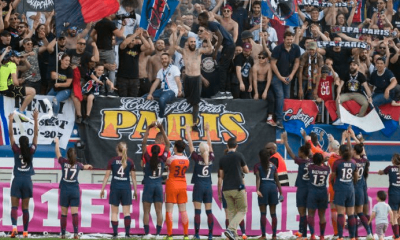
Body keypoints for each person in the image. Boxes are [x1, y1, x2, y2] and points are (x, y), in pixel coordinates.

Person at [174, 28, 212, 131]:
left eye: (194, 42)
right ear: (187, 42)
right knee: (184, 97)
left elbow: (210, 49)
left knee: (196, 102)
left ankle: (195, 124)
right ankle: (179, 119)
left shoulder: (198, 51)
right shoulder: (184, 51)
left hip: (196, 78)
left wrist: (208, 39)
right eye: (191, 42)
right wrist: (180, 34)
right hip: (187, 78)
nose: (193, 43)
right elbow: (175, 46)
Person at [8, 110, 38, 238]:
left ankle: (14, 228)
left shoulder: (16, 150)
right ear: (28, 143)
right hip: (27, 180)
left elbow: (10, 135)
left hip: (17, 179)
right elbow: (36, 135)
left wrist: (10, 120)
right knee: (25, 208)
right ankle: (25, 232)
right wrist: (36, 120)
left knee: (14, 206)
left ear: (20, 143)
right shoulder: (31, 151)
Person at [54, 137, 92, 239]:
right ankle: (75, 233)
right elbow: (86, 166)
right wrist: (89, 166)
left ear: (67, 155)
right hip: (74, 190)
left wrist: (57, 142)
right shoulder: (78, 165)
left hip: (65, 190)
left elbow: (57, 151)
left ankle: (62, 234)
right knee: (75, 213)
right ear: (75, 156)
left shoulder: (63, 162)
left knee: (64, 214)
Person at [100, 142, 138, 239]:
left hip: (115, 188)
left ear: (117, 149)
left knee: (114, 212)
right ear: (126, 150)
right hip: (126, 188)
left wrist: (102, 189)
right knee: (127, 213)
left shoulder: (112, 161)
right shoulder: (130, 161)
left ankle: (115, 234)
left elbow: (106, 176)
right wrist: (135, 191)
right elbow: (134, 178)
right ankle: (127, 234)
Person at [194, 12, 236, 99]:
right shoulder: (210, 26)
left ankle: (221, 92)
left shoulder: (211, 24)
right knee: (226, 69)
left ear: (205, 19)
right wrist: (211, 45)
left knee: (222, 69)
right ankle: (227, 92)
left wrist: (215, 51)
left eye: (200, 19)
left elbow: (220, 38)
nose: (199, 22)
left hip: (228, 46)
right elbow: (216, 40)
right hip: (229, 45)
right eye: (198, 20)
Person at [141, 122, 170, 238]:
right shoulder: (162, 159)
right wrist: (162, 129)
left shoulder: (147, 158)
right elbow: (167, 144)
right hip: (158, 185)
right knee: (159, 211)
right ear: (159, 151)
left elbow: (143, 143)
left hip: (148, 185)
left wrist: (148, 128)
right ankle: (158, 234)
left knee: (146, 212)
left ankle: (147, 233)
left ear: (151, 151)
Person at [186, 123, 214, 240]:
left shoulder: (197, 158)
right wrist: (207, 132)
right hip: (208, 186)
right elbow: (210, 145)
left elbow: (190, 145)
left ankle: (197, 234)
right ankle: (210, 235)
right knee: (209, 211)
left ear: (200, 151)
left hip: (198, 186)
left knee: (197, 211)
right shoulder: (211, 157)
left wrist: (188, 132)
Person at [281, 132, 311, 239]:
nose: (298, 153)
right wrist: (305, 138)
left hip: (302, 188)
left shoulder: (301, 161)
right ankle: (304, 233)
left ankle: (303, 233)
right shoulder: (312, 161)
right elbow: (310, 149)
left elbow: (290, 153)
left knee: (302, 212)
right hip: (311, 190)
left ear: (303, 153)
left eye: (299, 151)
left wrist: (285, 142)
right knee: (308, 212)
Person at [218, 137, 249, 240]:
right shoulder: (239, 155)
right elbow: (247, 171)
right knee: (242, 210)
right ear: (236, 146)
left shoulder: (222, 158)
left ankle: (233, 235)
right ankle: (231, 229)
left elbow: (221, 176)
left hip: (226, 188)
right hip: (237, 187)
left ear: (227, 145)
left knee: (231, 211)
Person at [270, 31, 300, 129]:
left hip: (288, 76)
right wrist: (279, 77)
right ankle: (279, 119)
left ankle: (286, 117)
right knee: (280, 96)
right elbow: (273, 63)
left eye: (291, 39)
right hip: (277, 77)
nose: (289, 41)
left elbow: (296, 62)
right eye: (288, 39)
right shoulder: (277, 49)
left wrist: (291, 75)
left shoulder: (296, 48)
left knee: (287, 97)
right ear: (283, 39)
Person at [144, 53, 182, 124]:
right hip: (163, 90)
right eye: (162, 59)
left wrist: (179, 89)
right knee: (145, 96)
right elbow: (155, 83)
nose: (164, 60)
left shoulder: (174, 68)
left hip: (171, 91)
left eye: (165, 58)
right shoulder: (160, 71)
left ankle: (160, 118)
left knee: (162, 99)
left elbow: (178, 80)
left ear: (169, 60)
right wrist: (150, 94)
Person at [331, 144, 359, 240]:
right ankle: (352, 237)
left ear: (340, 152)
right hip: (350, 188)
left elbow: (332, 177)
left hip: (340, 189)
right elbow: (356, 177)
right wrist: (351, 185)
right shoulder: (354, 162)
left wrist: (334, 185)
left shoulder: (337, 163)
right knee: (351, 214)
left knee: (340, 213)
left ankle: (341, 236)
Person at [0, 48, 35, 122]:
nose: (19, 59)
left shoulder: (3, 64)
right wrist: (19, 82)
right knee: (32, 91)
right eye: (17, 57)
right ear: (12, 57)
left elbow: (9, 80)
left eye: (19, 58)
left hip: (3, 89)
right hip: (7, 90)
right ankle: (20, 112)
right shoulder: (12, 65)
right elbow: (16, 83)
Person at [255, 148, 283, 240]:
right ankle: (274, 236)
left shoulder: (258, 165)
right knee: (273, 213)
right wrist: (281, 193)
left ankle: (263, 236)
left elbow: (258, 178)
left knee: (263, 213)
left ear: (260, 157)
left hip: (263, 188)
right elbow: (277, 180)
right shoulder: (274, 166)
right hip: (273, 188)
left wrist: (257, 189)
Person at [333, 59, 372, 125]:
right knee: (338, 100)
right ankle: (340, 118)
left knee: (365, 103)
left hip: (357, 94)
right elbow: (340, 86)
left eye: (354, 65)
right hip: (347, 94)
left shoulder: (361, 75)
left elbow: (366, 87)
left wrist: (370, 97)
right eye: (351, 65)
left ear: (358, 67)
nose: (352, 66)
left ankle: (359, 119)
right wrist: (338, 95)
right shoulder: (346, 73)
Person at [164, 140, 190, 240]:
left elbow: (167, 165)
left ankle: (170, 235)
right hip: (182, 184)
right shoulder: (187, 160)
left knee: (169, 210)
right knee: (183, 210)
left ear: (175, 148)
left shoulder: (171, 159)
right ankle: (186, 235)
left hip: (172, 184)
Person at [117, 29, 151, 97]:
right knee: (122, 97)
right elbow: (125, 43)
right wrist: (135, 34)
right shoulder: (123, 46)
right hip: (123, 77)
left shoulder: (137, 47)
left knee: (133, 98)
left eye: (132, 41)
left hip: (134, 77)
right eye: (129, 40)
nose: (130, 42)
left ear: (135, 41)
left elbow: (148, 46)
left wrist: (141, 36)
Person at [307, 153, 330, 240]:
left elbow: (311, 161)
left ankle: (312, 235)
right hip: (323, 192)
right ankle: (322, 236)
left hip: (313, 192)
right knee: (322, 215)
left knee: (311, 214)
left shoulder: (310, 167)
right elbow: (323, 164)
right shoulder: (327, 168)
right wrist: (323, 160)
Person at [352, 143, 373, 239]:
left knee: (353, 213)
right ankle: (369, 232)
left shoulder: (352, 161)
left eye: (353, 149)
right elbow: (363, 152)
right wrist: (359, 142)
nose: (351, 150)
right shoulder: (364, 160)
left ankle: (355, 236)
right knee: (360, 212)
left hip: (352, 189)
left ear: (355, 151)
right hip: (360, 189)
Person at [378, 153, 400, 239]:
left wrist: (379, 172)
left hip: (394, 194)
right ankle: (398, 235)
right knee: (399, 215)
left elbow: (381, 172)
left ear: (394, 160)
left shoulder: (390, 168)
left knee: (394, 216)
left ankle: (397, 236)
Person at [252, 51, 275, 126]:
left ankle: (269, 117)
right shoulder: (255, 66)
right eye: (259, 57)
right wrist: (256, 92)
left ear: (266, 59)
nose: (260, 59)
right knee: (255, 99)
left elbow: (269, 79)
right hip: (257, 83)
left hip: (265, 83)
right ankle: (255, 118)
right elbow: (254, 80)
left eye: (262, 58)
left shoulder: (268, 66)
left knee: (271, 99)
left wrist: (265, 91)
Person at [48, 54, 73, 120]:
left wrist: (59, 84)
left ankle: (55, 116)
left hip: (66, 90)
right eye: (66, 60)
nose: (68, 62)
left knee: (55, 100)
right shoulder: (56, 66)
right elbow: (52, 75)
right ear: (61, 61)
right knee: (46, 99)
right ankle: (48, 114)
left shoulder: (70, 70)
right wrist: (54, 75)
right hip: (55, 89)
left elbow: (68, 84)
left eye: (69, 61)